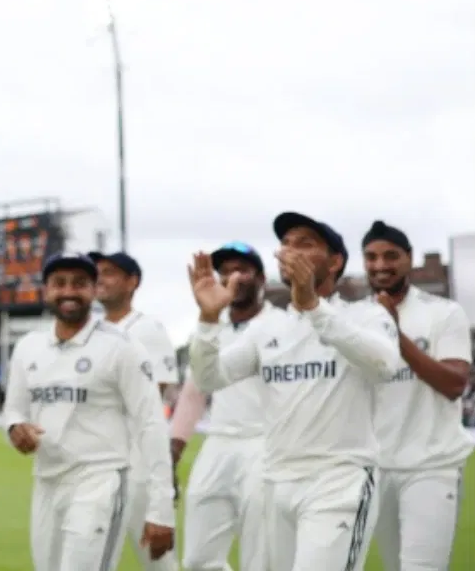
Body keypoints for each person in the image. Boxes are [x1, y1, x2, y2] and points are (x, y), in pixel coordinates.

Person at [187, 211, 401, 570]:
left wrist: (314, 308)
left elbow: (384, 366)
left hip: (340, 479)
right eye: (285, 244)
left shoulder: (365, 315)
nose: (291, 251)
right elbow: (210, 379)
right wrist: (208, 321)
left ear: (335, 262)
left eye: (305, 244)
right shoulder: (269, 328)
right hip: (276, 482)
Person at [3, 253, 175, 570]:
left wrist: (161, 510)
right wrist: (15, 428)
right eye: (59, 283)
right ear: (46, 290)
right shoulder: (29, 346)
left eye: (80, 283)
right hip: (46, 482)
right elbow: (14, 408)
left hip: (100, 483)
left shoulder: (122, 346)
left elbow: (151, 424)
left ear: (94, 289)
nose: (69, 291)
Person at [362, 221, 473, 571]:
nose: (381, 265)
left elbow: (455, 384)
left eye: (391, 256)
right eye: (371, 257)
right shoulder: (353, 319)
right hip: (378, 469)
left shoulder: (443, 312)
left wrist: (397, 336)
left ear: (408, 259)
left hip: (431, 466)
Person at [170, 242, 282, 571]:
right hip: (218, 443)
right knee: (197, 560)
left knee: (259, 557)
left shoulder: (280, 324)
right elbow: (194, 392)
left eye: (243, 270)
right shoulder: (210, 327)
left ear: (261, 278)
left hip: (265, 443)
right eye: (226, 271)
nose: (234, 277)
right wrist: (173, 450)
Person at [89, 250, 180, 571]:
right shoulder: (91, 332)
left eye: (110, 272)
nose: (100, 279)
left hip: (139, 465)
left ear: (132, 282)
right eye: (97, 272)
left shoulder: (148, 330)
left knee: (158, 562)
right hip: (98, 463)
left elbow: (150, 402)